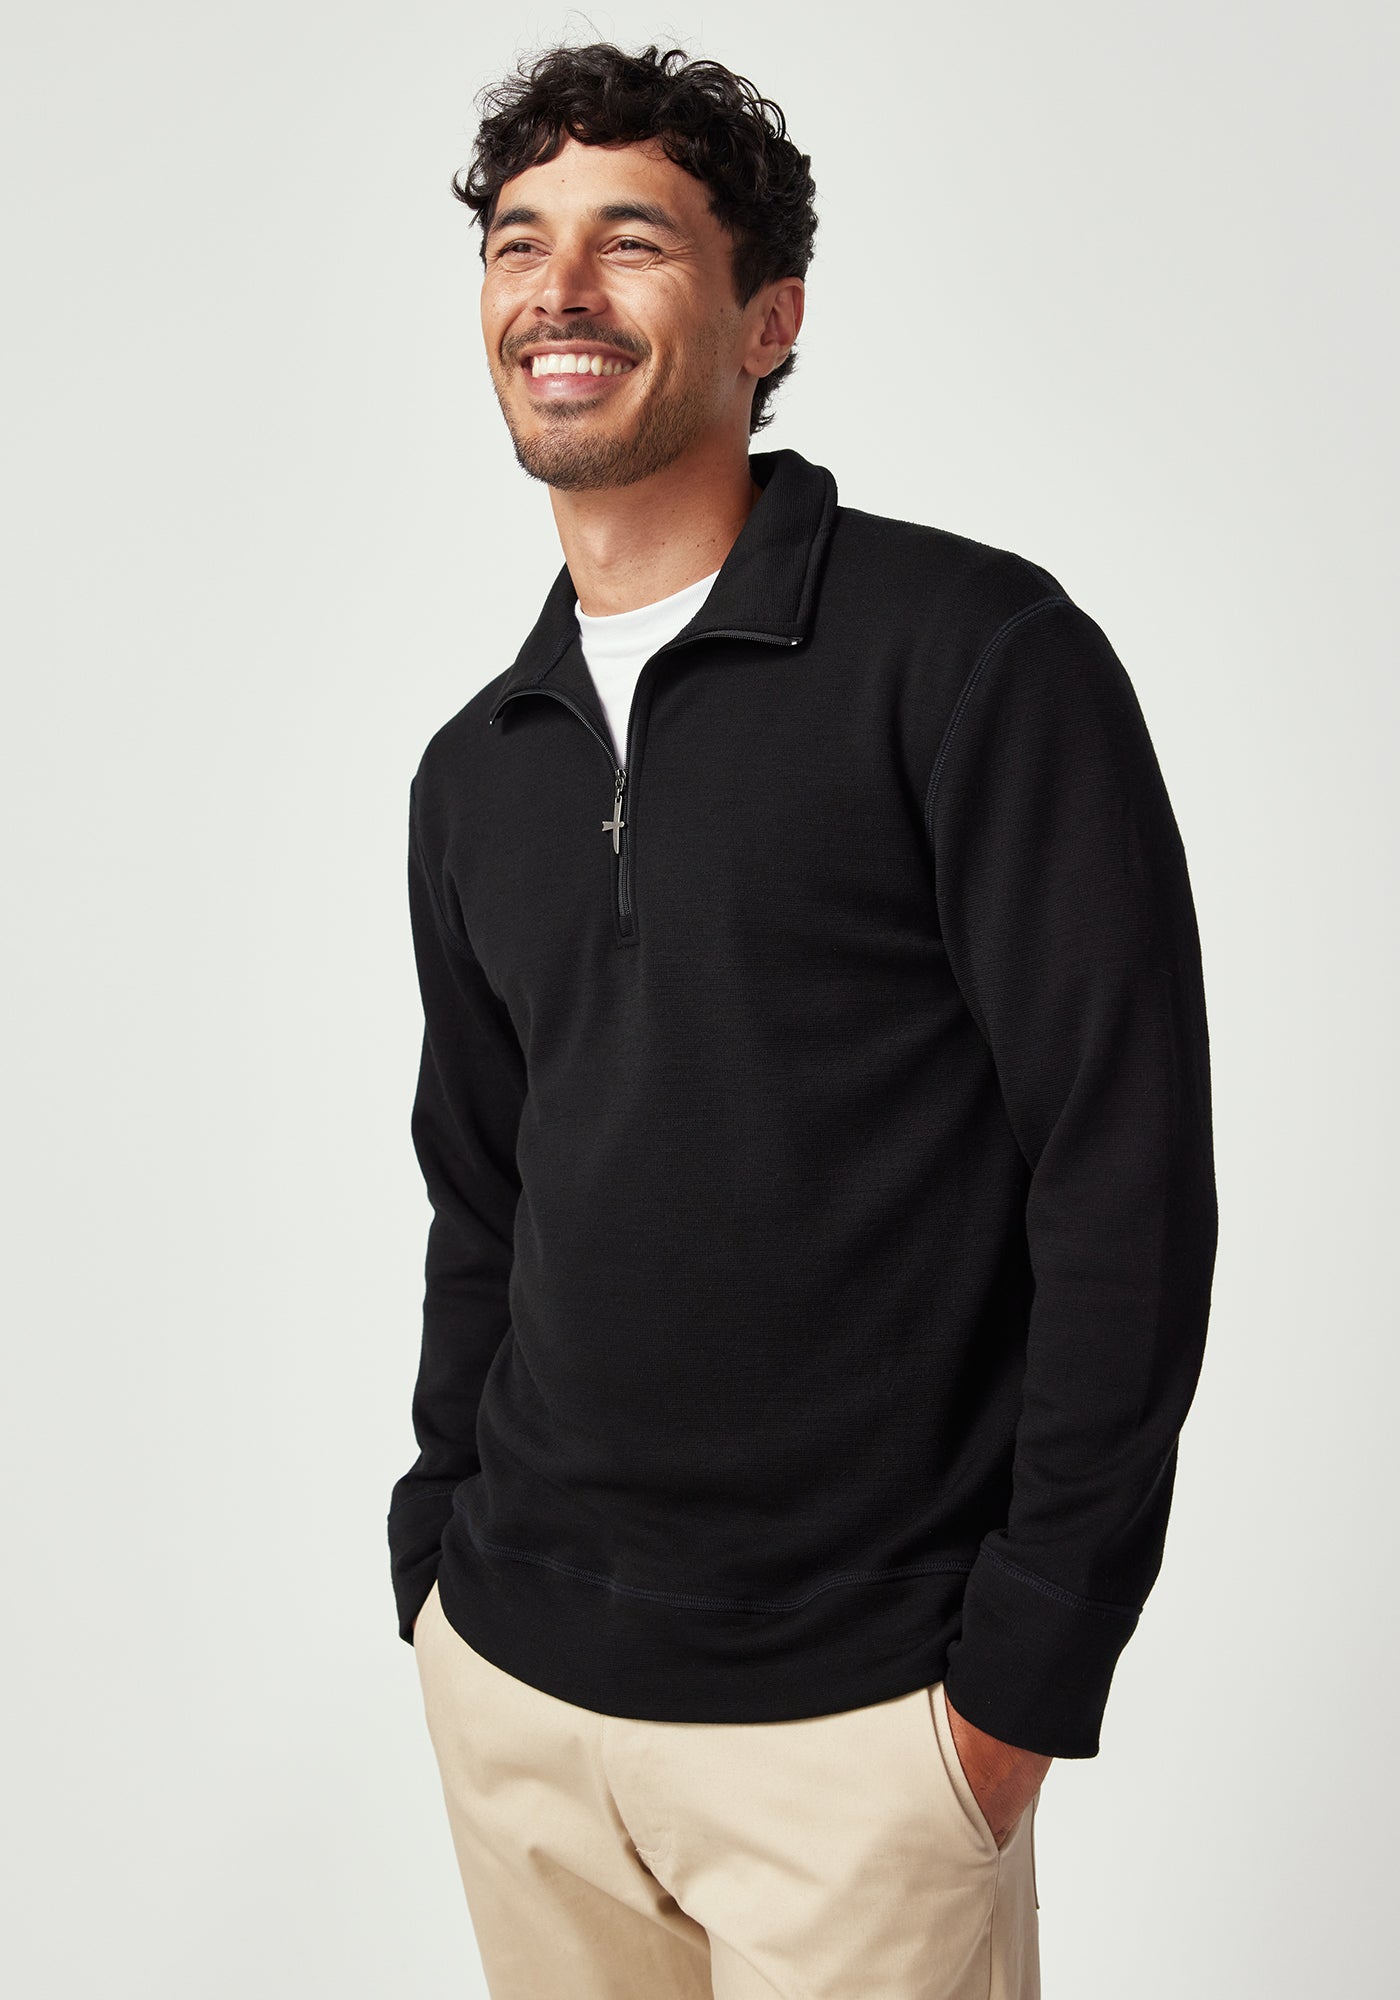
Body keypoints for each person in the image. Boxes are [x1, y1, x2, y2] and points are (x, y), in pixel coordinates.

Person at [387, 39, 1218, 2000]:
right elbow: (482, 1197)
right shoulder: (474, 769)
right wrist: (436, 1560)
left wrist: (1026, 1671)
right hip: (518, 1696)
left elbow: (1119, 1176)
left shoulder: (973, 659)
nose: (556, 289)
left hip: (862, 1733)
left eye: (632, 241)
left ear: (771, 319)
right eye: (518, 241)